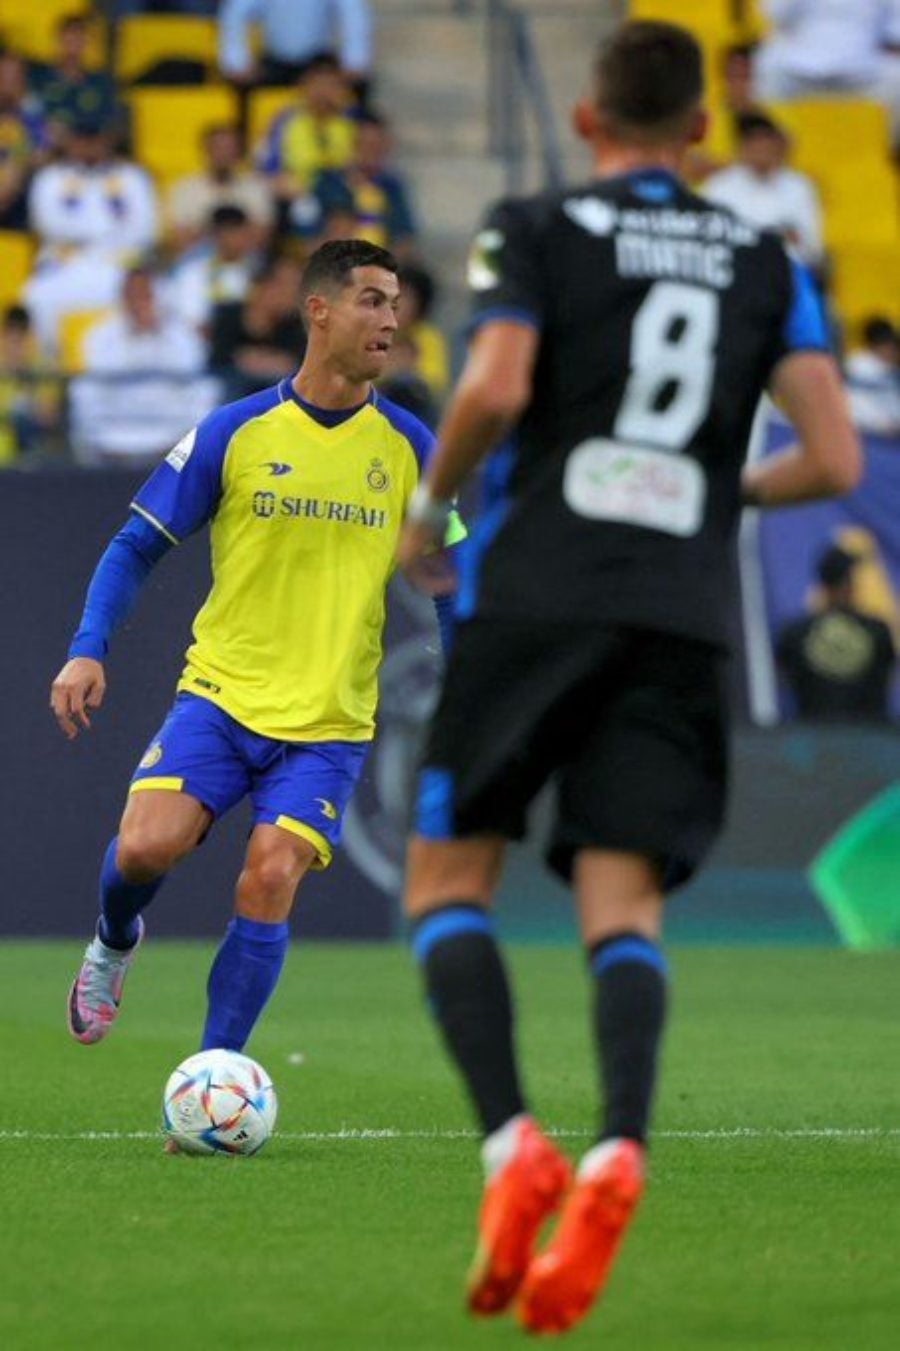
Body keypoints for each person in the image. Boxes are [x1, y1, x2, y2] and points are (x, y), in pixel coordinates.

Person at [395, 19, 861, 1337]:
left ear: (590, 120)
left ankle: (513, 1143)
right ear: (701, 131)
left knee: (448, 879)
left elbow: (497, 382)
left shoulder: (538, 225)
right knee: (624, 902)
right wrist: (716, 494)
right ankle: (619, 1151)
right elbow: (833, 458)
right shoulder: (766, 258)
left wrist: (431, 506)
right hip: (680, 612)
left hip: (538, 589)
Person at [50, 240, 462, 1095]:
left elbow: (451, 576)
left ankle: (212, 1076)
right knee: (144, 849)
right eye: (373, 300)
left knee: (271, 874)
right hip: (222, 697)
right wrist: (88, 645)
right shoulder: (234, 431)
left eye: (396, 305)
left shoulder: (413, 446)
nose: (392, 319)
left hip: (331, 721)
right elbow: (135, 545)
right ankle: (114, 941)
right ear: (319, 310)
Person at [24, 117, 158, 354]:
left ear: (107, 140)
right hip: (67, 262)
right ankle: (53, 364)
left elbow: (145, 229)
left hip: (118, 264)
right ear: (70, 142)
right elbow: (48, 224)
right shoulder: (51, 177)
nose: (88, 146)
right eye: (81, 140)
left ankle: (124, 361)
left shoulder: (132, 177)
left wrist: (96, 238)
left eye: (94, 140)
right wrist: (106, 233)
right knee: (36, 295)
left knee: (155, 295)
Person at [69, 266, 216, 467]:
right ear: (122, 298)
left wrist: (157, 335)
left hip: (171, 437)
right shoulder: (98, 337)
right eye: (132, 295)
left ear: (157, 297)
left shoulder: (183, 337)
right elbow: (86, 394)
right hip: (113, 438)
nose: (138, 303)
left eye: (144, 295)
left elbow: (201, 390)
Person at [777, 545, 896, 720]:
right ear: (847, 583)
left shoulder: (794, 633)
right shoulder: (877, 630)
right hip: (869, 733)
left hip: (814, 733)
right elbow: (889, 677)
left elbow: (783, 681)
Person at [754, 0, 900, 140]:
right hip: (797, 65)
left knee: (896, 76)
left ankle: (892, 149)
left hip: (863, 67)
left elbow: (895, 32)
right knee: (767, 65)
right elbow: (775, 15)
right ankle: (767, 144)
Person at [703, 112, 824, 267]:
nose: (761, 148)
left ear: (777, 146)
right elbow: (710, 241)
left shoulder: (799, 187)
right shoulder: (719, 187)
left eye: (766, 141)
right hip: (737, 270)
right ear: (741, 147)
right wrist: (775, 236)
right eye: (753, 141)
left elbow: (813, 248)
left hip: (787, 270)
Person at [312, 111, 418, 256]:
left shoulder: (393, 187)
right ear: (351, 145)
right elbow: (310, 237)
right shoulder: (329, 184)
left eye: (377, 146)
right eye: (366, 145)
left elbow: (404, 237)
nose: (372, 152)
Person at [165, 123, 274, 256]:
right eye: (218, 148)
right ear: (205, 151)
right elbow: (179, 238)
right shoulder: (184, 189)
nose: (223, 154)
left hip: (246, 260)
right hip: (198, 260)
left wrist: (204, 232)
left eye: (229, 149)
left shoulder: (255, 188)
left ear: (238, 153)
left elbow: (262, 236)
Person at [218, 0, 372, 93]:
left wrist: (354, 62)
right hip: (275, 60)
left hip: (318, 62)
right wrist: (238, 62)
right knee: (240, 88)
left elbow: (353, 16)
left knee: (359, 85)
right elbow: (235, 15)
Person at [209, 254, 307, 396]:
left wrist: (260, 361)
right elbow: (218, 360)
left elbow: (294, 365)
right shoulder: (228, 315)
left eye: (297, 287)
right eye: (284, 285)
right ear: (262, 285)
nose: (291, 293)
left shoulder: (298, 327)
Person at [29, 13, 120, 148]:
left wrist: (99, 145)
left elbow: (114, 124)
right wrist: (66, 143)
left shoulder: (101, 82)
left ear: (87, 43)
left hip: (95, 152)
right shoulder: (38, 78)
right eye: (68, 40)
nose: (73, 46)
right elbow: (29, 119)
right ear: (57, 41)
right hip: (51, 152)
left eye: (79, 39)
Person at [168, 203, 260, 336]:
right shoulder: (193, 273)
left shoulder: (255, 270)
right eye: (235, 233)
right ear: (218, 235)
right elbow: (191, 320)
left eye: (244, 234)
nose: (242, 240)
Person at [0, 51, 49, 229]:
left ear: (23, 78)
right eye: (4, 74)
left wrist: (18, 157)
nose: (9, 80)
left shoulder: (32, 109)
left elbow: (42, 155)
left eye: (14, 74)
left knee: (14, 165)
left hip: (18, 181)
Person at [844, 315, 900, 436]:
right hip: (865, 433)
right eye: (888, 346)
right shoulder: (859, 364)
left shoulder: (891, 368)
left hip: (887, 434)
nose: (893, 351)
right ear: (874, 345)